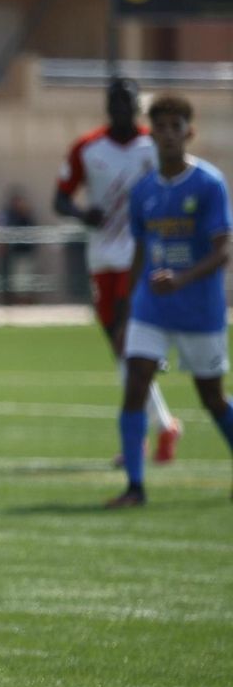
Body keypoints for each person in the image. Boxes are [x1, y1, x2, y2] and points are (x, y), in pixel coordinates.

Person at [105, 94, 233, 508]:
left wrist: (181, 279)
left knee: (211, 398)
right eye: (160, 127)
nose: (168, 135)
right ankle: (135, 487)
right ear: (152, 134)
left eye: (175, 127)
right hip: (152, 306)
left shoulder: (209, 184)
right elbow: (141, 251)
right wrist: (126, 308)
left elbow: (223, 250)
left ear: (188, 133)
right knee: (136, 382)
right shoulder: (143, 191)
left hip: (199, 309)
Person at [55, 77, 181, 466]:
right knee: (120, 347)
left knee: (132, 343)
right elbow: (59, 198)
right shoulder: (87, 147)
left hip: (141, 256)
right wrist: (82, 213)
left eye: (128, 101)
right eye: (115, 101)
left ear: (137, 104)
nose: (122, 108)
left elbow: (175, 187)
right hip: (102, 258)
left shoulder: (153, 144)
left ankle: (141, 438)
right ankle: (162, 424)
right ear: (108, 106)